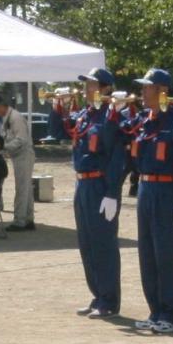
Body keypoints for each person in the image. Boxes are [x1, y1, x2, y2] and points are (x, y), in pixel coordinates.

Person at [121, 68, 173, 334]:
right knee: (147, 254)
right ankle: (155, 310)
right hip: (146, 188)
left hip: (168, 191)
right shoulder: (145, 120)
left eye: (148, 88)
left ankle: (171, 313)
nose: (143, 92)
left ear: (162, 91)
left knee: (166, 255)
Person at [48, 69, 126, 318]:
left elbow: (117, 158)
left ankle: (109, 300)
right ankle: (98, 294)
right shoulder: (85, 115)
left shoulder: (110, 116)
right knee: (87, 243)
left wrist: (112, 192)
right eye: (86, 84)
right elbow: (59, 133)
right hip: (82, 184)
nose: (85, 89)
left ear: (104, 88)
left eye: (91, 84)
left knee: (103, 243)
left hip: (100, 184)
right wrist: (56, 106)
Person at [0, 94, 36, 231]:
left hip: (23, 154)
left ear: (2, 106)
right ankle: (28, 219)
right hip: (18, 155)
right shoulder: (7, 118)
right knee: (26, 188)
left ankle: (19, 221)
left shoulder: (15, 117)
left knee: (22, 188)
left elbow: (22, 140)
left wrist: (3, 147)